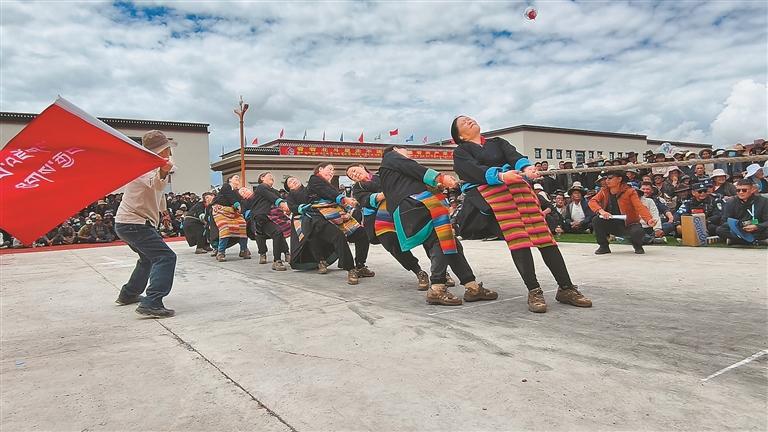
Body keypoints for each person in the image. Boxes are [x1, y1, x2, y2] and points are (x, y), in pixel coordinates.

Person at [451, 115, 590, 312]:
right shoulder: (461, 151)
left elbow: (514, 156)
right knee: (518, 240)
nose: (469, 121)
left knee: (545, 238)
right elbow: (471, 170)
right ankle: (534, 290)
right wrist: (500, 175)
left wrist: (527, 167)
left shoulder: (497, 142)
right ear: (460, 136)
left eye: (469, 118)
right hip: (496, 195)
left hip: (519, 189)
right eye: (463, 122)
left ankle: (566, 288)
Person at [381, 144, 496, 305]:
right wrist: (440, 178)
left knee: (451, 244)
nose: (408, 154)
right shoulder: (391, 157)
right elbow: (414, 168)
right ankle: (437, 288)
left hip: (414, 207)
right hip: (412, 207)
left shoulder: (396, 172)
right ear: (395, 149)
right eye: (404, 150)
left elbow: (414, 179)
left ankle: (471, 286)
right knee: (440, 240)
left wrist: (436, 186)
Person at [114, 130, 177, 318]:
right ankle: (152, 302)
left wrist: (164, 212)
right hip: (134, 223)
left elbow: (158, 192)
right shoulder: (143, 166)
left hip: (130, 223)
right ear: (162, 150)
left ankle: (128, 294)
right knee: (166, 257)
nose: (170, 152)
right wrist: (164, 170)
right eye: (167, 149)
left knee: (147, 258)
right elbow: (155, 184)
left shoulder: (152, 166)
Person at [346, 163, 433, 290]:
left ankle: (441, 272)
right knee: (390, 242)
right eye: (351, 175)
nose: (354, 174)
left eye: (354, 170)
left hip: (404, 208)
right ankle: (418, 271)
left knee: (426, 233)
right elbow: (366, 200)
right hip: (380, 218)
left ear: (362, 166)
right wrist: (388, 193)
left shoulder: (382, 175)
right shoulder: (357, 189)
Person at [306, 163, 375, 285]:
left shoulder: (329, 185)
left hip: (337, 213)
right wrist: (344, 199)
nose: (332, 172)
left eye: (333, 170)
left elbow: (335, 198)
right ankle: (350, 269)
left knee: (362, 233)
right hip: (319, 217)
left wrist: (348, 210)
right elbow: (328, 193)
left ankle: (360, 265)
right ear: (320, 169)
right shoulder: (314, 180)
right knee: (338, 236)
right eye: (329, 169)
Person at [588, 169, 656, 254]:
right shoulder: (604, 191)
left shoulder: (630, 191)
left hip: (629, 224)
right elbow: (592, 201)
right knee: (596, 220)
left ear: (619, 179)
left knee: (637, 231)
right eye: (606, 178)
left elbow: (640, 207)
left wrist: (648, 220)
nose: (607, 180)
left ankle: (637, 246)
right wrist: (601, 211)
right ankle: (604, 246)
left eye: (610, 178)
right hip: (612, 223)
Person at [247, 172, 291, 271]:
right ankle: (276, 260)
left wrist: (286, 209)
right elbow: (273, 198)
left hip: (274, 218)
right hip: (261, 218)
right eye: (269, 175)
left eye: (272, 176)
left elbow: (277, 198)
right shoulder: (261, 187)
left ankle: (285, 254)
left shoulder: (274, 191)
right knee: (276, 232)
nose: (272, 177)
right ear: (262, 178)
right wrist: (282, 204)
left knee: (279, 233)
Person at [211, 174, 250, 262]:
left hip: (233, 212)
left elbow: (242, 203)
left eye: (238, 178)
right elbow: (230, 196)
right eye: (236, 177)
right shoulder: (226, 186)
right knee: (225, 228)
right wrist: (237, 205)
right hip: (220, 210)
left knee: (243, 225)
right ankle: (221, 252)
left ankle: (244, 250)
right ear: (230, 180)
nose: (238, 178)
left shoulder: (237, 192)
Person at [716, 179, 768, 245]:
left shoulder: (763, 201)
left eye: (744, 190)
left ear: (752, 190)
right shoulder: (731, 202)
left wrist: (757, 226)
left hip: (757, 227)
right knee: (720, 230)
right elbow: (724, 221)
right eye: (738, 190)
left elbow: (766, 221)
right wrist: (739, 225)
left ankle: (737, 240)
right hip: (739, 228)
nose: (741, 192)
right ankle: (756, 241)